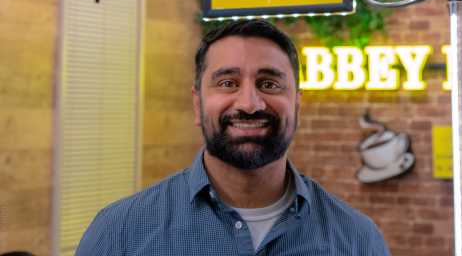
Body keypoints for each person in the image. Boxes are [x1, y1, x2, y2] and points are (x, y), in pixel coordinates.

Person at [76, 19, 390, 255]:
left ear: (297, 104)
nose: (249, 104)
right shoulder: (120, 233)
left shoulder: (357, 240)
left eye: (269, 84)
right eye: (228, 83)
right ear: (198, 104)